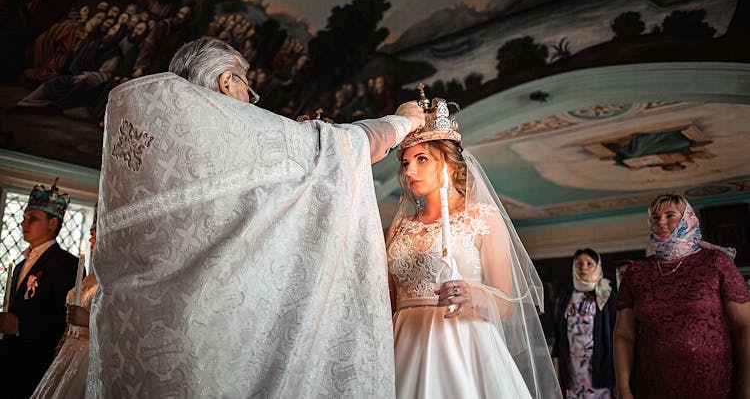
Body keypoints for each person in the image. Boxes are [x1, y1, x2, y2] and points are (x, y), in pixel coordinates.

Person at [88, 37, 425, 397]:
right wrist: (400, 122)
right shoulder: (231, 132)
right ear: (227, 81)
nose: (249, 101)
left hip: (134, 340)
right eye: (248, 89)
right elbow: (334, 148)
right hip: (209, 345)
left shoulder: (149, 145)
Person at [386, 89, 560, 398]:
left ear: (450, 163)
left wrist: (474, 294)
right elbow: (385, 300)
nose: (410, 170)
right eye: (406, 162)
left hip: (461, 346)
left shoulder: (483, 218)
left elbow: (507, 304)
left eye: (422, 159)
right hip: (402, 347)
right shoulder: (399, 226)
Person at [614, 194, 750, 399]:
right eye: (655, 217)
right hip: (654, 386)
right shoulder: (636, 272)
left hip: (714, 384)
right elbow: (624, 334)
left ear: (687, 219)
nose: (661, 221)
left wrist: (747, 384)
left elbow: (745, 325)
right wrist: (623, 389)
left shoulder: (716, 262)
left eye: (670, 215)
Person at [0, 181, 79, 399]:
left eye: (32, 218)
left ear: (53, 222)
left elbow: (65, 321)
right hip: (7, 365)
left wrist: (19, 325)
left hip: (35, 368)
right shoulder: (18, 266)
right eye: (24, 217)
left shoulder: (66, 264)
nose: (23, 223)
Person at [31, 218, 98, 399]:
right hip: (68, 352)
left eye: (96, 234)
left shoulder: (115, 281)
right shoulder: (89, 278)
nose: (91, 240)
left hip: (89, 358)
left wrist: (89, 320)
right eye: (91, 234)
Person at [551, 248, 616, 398]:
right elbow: (558, 342)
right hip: (572, 375)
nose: (583, 268)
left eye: (589, 264)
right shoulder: (565, 298)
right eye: (579, 264)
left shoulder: (607, 295)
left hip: (601, 375)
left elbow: (617, 339)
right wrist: (559, 381)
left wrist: (619, 381)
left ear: (598, 267)